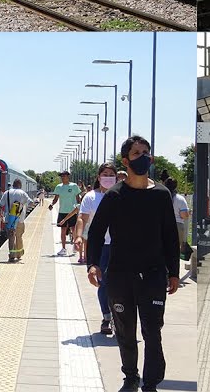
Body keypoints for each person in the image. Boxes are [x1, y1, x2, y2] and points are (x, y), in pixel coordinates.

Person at [87, 136, 180, 392]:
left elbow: (170, 236)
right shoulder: (115, 196)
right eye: (137, 153)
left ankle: (151, 382)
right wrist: (93, 264)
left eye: (146, 152)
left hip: (153, 275)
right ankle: (130, 377)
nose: (144, 157)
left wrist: (174, 272)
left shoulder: (161, 194)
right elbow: (96, 233)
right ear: (126, 161)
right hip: (119, 275)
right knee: (126, 331)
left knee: (152, 331)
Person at [78, 163, 119, 335]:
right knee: (103, 284)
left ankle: (121, 317)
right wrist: (79, 236)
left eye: (111, 174)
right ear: (99, 177)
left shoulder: (122, 195)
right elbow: (82, 218)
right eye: (105, 174)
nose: (108, 177)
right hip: (100, 247)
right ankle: (107, 317)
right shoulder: (90, 197)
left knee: (121, 284)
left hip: (120, 246)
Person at [48, 171, 82, 255]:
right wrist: (52, 204)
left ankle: (75, 246)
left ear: (68, 177)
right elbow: (56, 198)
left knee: (73, 229)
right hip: (62, 211)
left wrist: (80, 208)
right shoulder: (59, 187)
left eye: (64, 176)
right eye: (61, 176)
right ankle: (63, 248)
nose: (62, 178)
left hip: (72, 211)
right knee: (62, 230)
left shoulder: (74, 186)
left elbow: (78, 198)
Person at [1, 179, 33, 262]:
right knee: (19, 236)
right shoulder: (22, 193)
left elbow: (0, 205)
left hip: (9, 219)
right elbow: (31, 202)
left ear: (13, 185)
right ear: (20, 185)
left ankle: (12, 255)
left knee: (11, 237)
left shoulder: (7, 193)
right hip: (20, 219)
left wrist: (1, 215)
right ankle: (19, 254)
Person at [164, 178, 191, 261]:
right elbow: (184, 215)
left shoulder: (161, 197)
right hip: (177, 226)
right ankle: (173, 268)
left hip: (163, 224)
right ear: (176, 186)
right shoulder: (180, 199)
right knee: (175, 249)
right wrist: (188, 213)